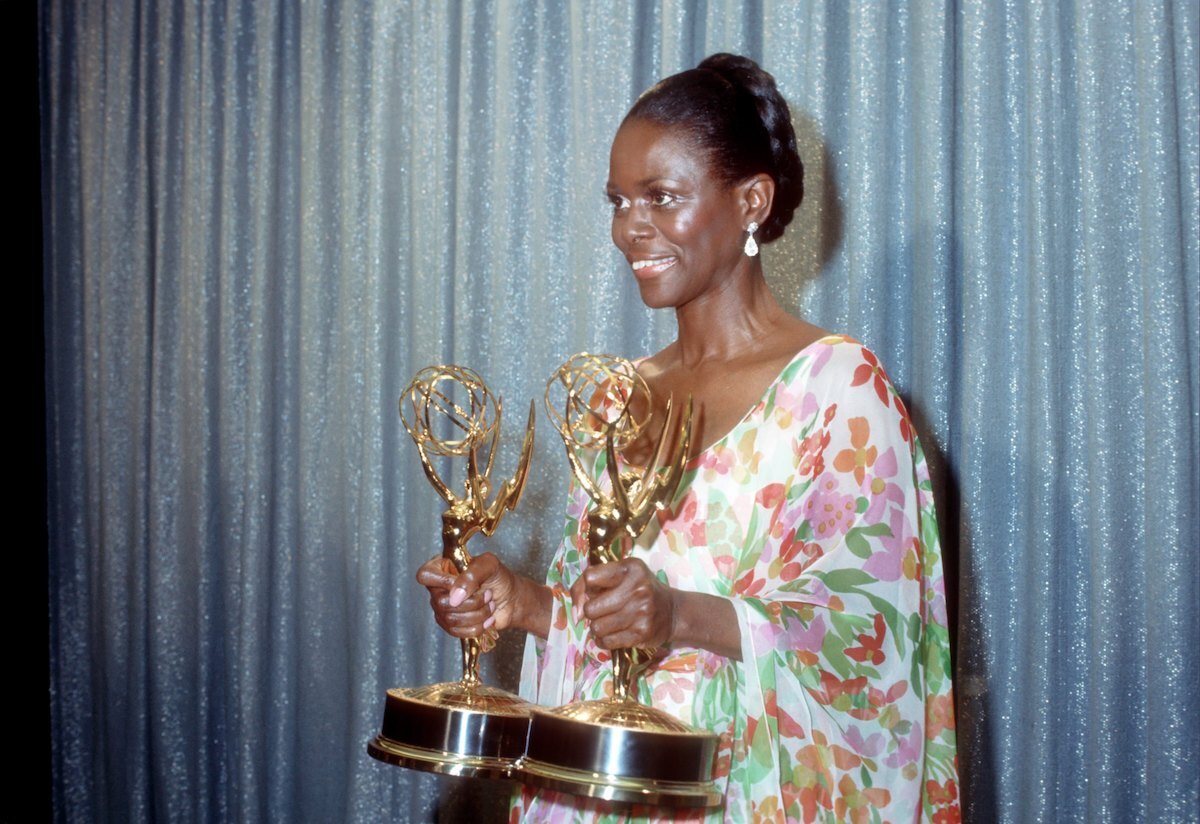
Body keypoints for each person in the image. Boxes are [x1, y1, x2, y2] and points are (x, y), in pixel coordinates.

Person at [418, 53, 960, 823]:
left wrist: (680, 616)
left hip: (741, 793)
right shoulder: (614, 398)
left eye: (661, 197)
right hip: (597, 793)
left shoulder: (837, 389)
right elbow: (603, 618)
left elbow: (868, 641)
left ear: (751, 201)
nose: (629, 228)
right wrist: (524, 604)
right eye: (617, 201)